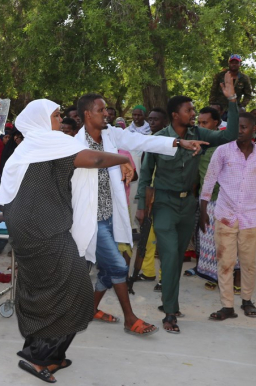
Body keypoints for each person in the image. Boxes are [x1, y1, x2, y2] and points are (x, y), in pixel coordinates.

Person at [0, 99, 133, 383]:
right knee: (74, 290)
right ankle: (38, 359)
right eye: (56, 115)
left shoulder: (30, 147)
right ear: (39, 120)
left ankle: (49, 354)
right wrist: (123, 159)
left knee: (45, 288)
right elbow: (94, 160)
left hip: (29, 225)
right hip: (44, 229)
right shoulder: (49, 142)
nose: (60, 120)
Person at [72, 93, 205, 337]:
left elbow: (143, 142)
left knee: (107, 269)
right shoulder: (75, 144)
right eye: (101, 110)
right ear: (88, 114)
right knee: (118, 267)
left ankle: (90, 309)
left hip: (110, 214)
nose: (107, 114)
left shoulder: (111, 133)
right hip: (91, 219)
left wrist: (177, 143)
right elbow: (97, 160)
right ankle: (129, 318)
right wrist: (122, 159)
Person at [136, 81, 239, 334]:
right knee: (170, 256)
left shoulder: (198, 134)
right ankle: (170, 312)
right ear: (175, 115)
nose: (194, 114)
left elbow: (229, 135)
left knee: (177, 258)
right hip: (163, 203)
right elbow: (146, 173)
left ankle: (169, 302)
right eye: (189, 110)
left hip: (188, 204)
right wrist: (141, 206)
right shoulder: (158, 139)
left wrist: (232, 100)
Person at [200, 113, 256, 320]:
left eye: (244, 127)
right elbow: (209, 181)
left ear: (254, 130)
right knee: (224, 262)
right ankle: (227, 307)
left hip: (251, 218)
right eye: (237, 127)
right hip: (225, 215)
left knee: (248, 262)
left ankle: (246, 300)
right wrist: (202, 211)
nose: (239, 131)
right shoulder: (223, 151)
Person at [195, 107, 241, 291]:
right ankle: (214, 275)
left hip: (225, 200)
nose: (201, 126)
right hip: (206, 199)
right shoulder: (198, 144)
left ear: (216, 123)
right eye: (199, 122)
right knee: (208, 239)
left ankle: (236, 277)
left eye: (205, 123)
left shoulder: (227, 145)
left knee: (229, 240)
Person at [138, 107, 169, 285]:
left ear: (165, 122)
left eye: (155, 120)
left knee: (164, 240)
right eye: (149, 119)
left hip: (164, 196)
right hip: (149, 196)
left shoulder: (169, 142)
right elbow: (144, 173)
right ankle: (148, 272)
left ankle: (164, 278)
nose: (151, 123)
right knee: (147, 237)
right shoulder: (149, 141)